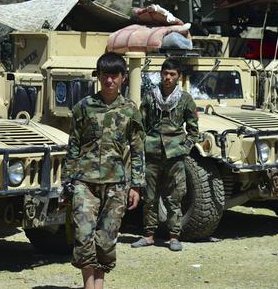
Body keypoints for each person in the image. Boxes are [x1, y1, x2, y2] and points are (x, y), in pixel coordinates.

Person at [61, 52, 145, 289]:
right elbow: (73, 148)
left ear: (123, 78)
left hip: (116, 183)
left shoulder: (130, 110)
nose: (109, 81)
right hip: (84, 183)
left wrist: (136, 185)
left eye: (114, 76)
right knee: (84, 236)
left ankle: (99, 285)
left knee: (106, 240)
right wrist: (67, 183)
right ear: (98, 76)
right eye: (105, 75)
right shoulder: (83, 108)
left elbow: (138, 150)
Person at [132, 58, 198, 251]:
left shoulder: (185, 99)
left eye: (172, 74)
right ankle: (149, 235)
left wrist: (183, 148)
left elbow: (194, 131)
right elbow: (140, 124)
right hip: (152, 153)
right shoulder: (151, 97)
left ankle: (174, 236)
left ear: (178, 76)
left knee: (175, 196)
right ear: (160, 74)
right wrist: (143, 144)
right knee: (149, 196)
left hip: (174, 155)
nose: (168, 78)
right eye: (165, 73)